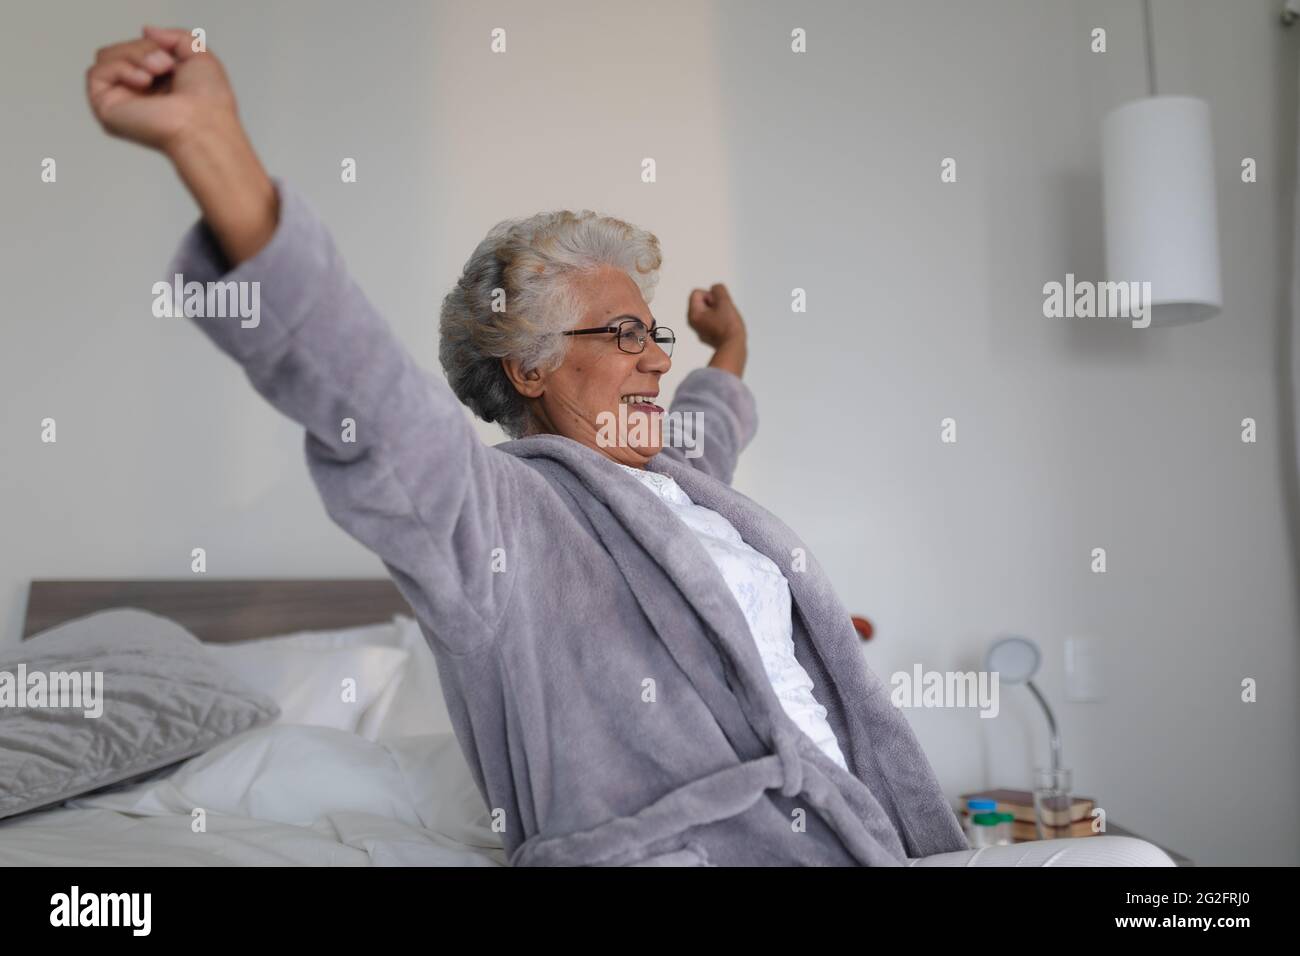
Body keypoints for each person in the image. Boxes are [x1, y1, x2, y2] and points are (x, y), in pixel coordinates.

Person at [84, 26, 1172, 867]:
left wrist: (727, 345)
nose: (651, 357)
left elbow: (708, 415)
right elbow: (371, 403)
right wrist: (219, 157)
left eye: (652, 334)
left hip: (872, 837)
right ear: (529, 368)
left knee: (1139, 864)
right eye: (622, 334)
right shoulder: (497, 518)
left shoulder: (673, 485)